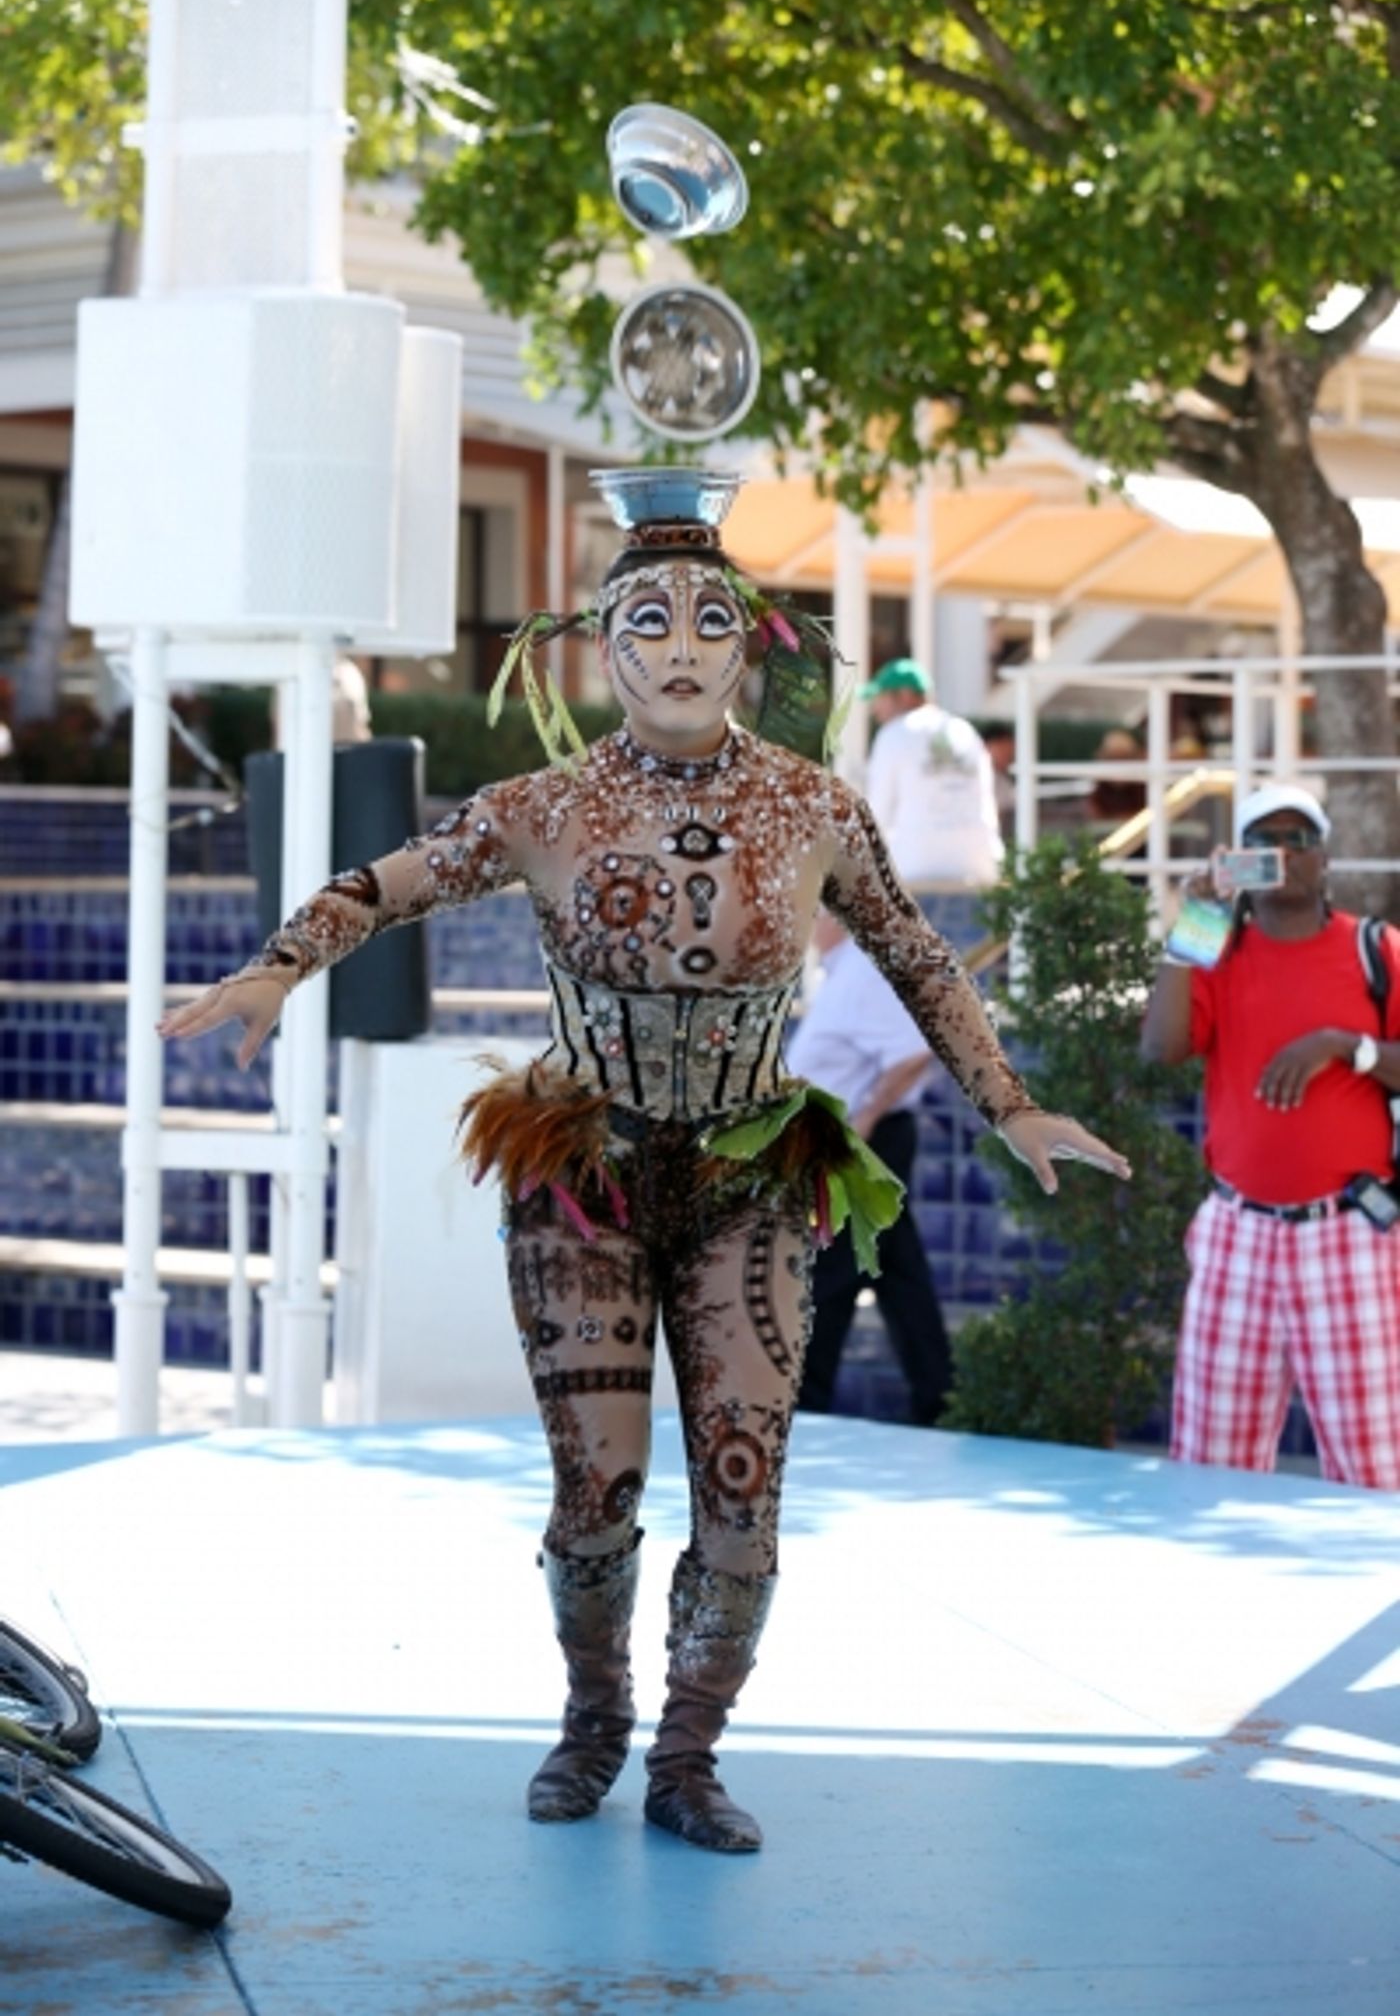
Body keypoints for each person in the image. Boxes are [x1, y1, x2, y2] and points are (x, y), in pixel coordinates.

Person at [161, 470, 1130, 1857]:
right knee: (595, 1491)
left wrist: (1011, 1104)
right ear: (603, 646)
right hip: (588, 1177)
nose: (681, 649)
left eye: (709, 622)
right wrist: (272, 973)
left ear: (751, 643)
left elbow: (918, 955)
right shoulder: (544, 806)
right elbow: (387, 883)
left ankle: (688, 1754)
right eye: (650, 624)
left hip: (752, 1180)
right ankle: (595, 1717)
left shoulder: (815, 810)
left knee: (745, 1485)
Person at [1140, 783, 1400, 1488]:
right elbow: (1160, 1048)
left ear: (1325, 859)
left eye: (1299, 839)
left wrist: (1346, 1045)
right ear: (1241, 860)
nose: (1283, 853)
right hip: (1237, 1237)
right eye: (1265, 841)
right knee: (1209, 1470)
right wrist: (1193, 920)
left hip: (1346, 1235)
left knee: (1375, 1475)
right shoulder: (1216, 951)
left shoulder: (1378, 951)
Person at [790, 910, 950, 1426]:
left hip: (861, 1144)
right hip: (854, 1140)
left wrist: (863, 1119)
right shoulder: (844, 971)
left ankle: (806, 1410)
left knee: (830, 1281)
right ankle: (940, 1400)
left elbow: (911, 1054)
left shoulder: (862, 971)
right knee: (898, 1278)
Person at [861, 658, 1003, 888]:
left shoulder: (893, 734)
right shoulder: (965, 731)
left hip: (917, 875)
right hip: (978, 873)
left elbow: (875, 817)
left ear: (905, 695)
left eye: (880, 698)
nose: (875, 709)